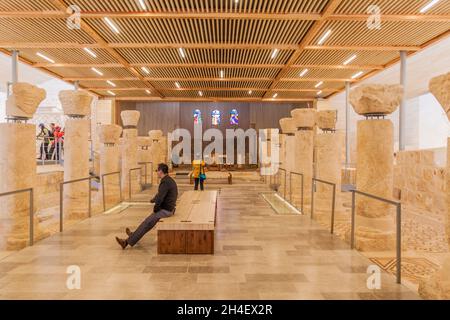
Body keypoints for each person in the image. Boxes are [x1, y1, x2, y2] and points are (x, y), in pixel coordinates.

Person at [115, 163, 178, 249]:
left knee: (147, 223)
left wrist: (156, 209)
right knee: (147, 222)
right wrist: (153, 199)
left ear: (161, 171)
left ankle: (126, 242)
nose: (157, 172)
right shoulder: (168, 180)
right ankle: (133, 235)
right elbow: (160, 194)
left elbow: (160, 198)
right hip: (169, 208)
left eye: (157, 170)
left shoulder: (165, 182)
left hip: (167, 210)